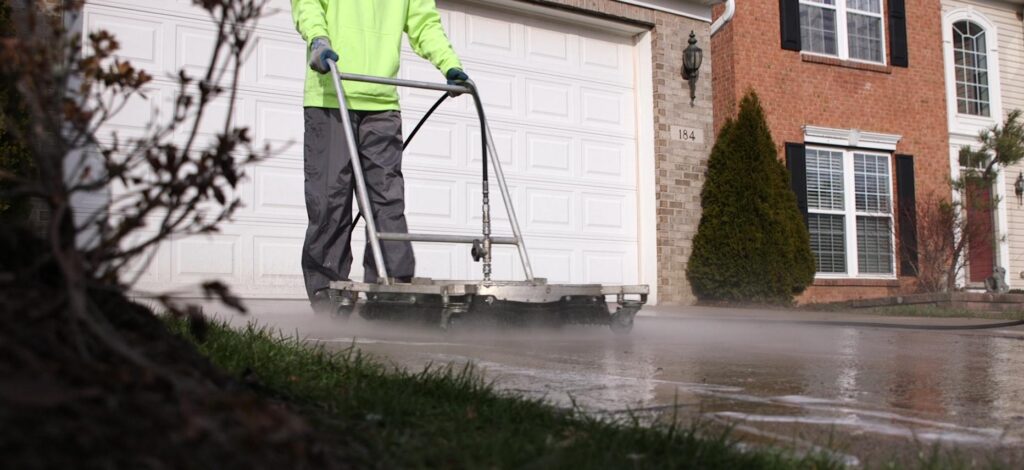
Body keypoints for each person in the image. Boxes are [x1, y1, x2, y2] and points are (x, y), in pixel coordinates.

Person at [291, 0, 468, 312]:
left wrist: (449, 64)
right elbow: (308, 4)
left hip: (382, 102)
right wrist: (318, 39)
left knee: (388, 201)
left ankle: (392, 295)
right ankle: (328, 298)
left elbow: (424, 23)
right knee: (330, 199)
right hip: (330, 94)